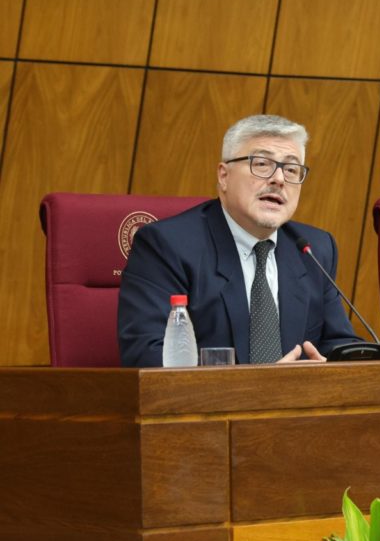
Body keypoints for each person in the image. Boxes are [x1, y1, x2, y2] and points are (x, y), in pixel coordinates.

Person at [118, 114, 364, 366]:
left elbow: (340, 345)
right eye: (261, 164)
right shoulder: (168, 245)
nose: (279, 179)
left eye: (291, 169)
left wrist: (329, 370)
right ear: (224, 176)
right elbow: (147, 357)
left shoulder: (313, 249)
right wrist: (261, 387)